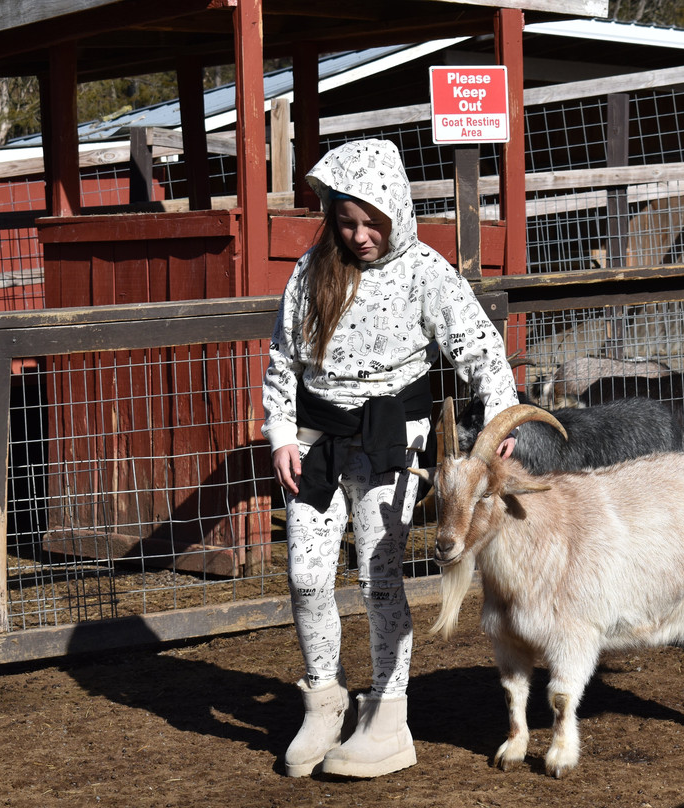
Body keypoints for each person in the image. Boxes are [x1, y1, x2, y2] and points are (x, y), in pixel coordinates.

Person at [261, 138, 520, 778]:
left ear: (395, 212)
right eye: (346, 222)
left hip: (390, 444)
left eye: (370, 222)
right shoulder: (312, 270)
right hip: (320, 445)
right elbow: (282, 361)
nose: (358, 235)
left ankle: (388, 716)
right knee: (306, 572)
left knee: (380, 578)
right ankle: (324, 703)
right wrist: (282, 433)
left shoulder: (426, 272)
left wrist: (500, 413)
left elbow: (479, 347)